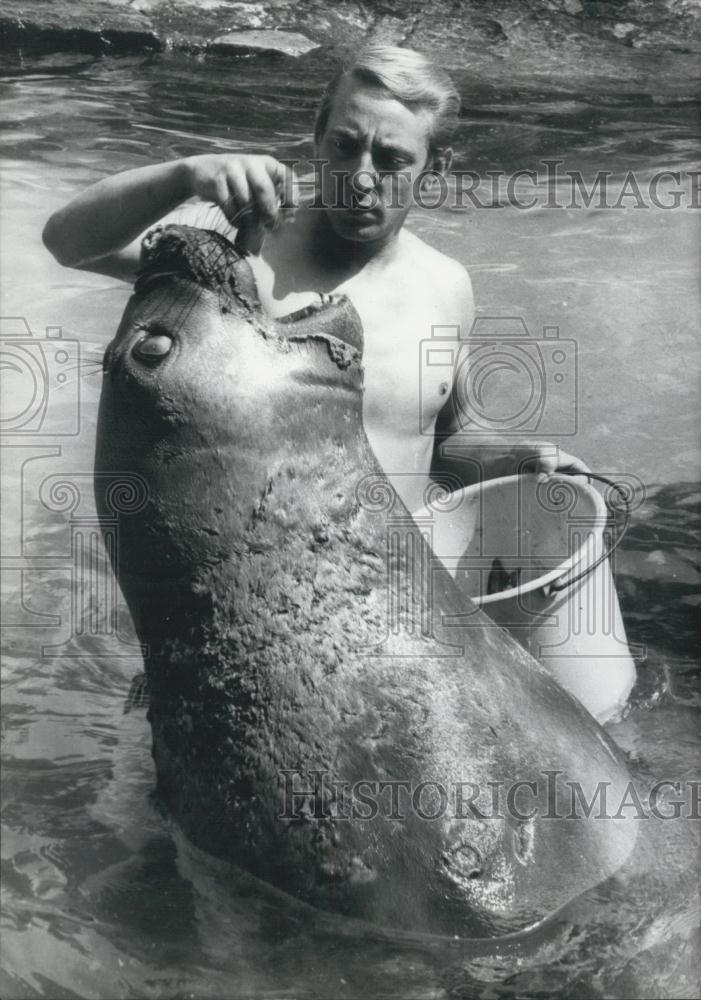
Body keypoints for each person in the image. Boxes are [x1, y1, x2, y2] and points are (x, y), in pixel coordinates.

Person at [42, 44, 585, 511]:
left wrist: (520, 460)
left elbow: (448, 443)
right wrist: (186, 173)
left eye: (392, 159)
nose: (360, 178)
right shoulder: (239, 249)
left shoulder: (445, 284)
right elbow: (71, 243)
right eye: (345, 146)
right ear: (317, 136)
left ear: (436, 169)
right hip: (261, 585)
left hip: (401, 587)